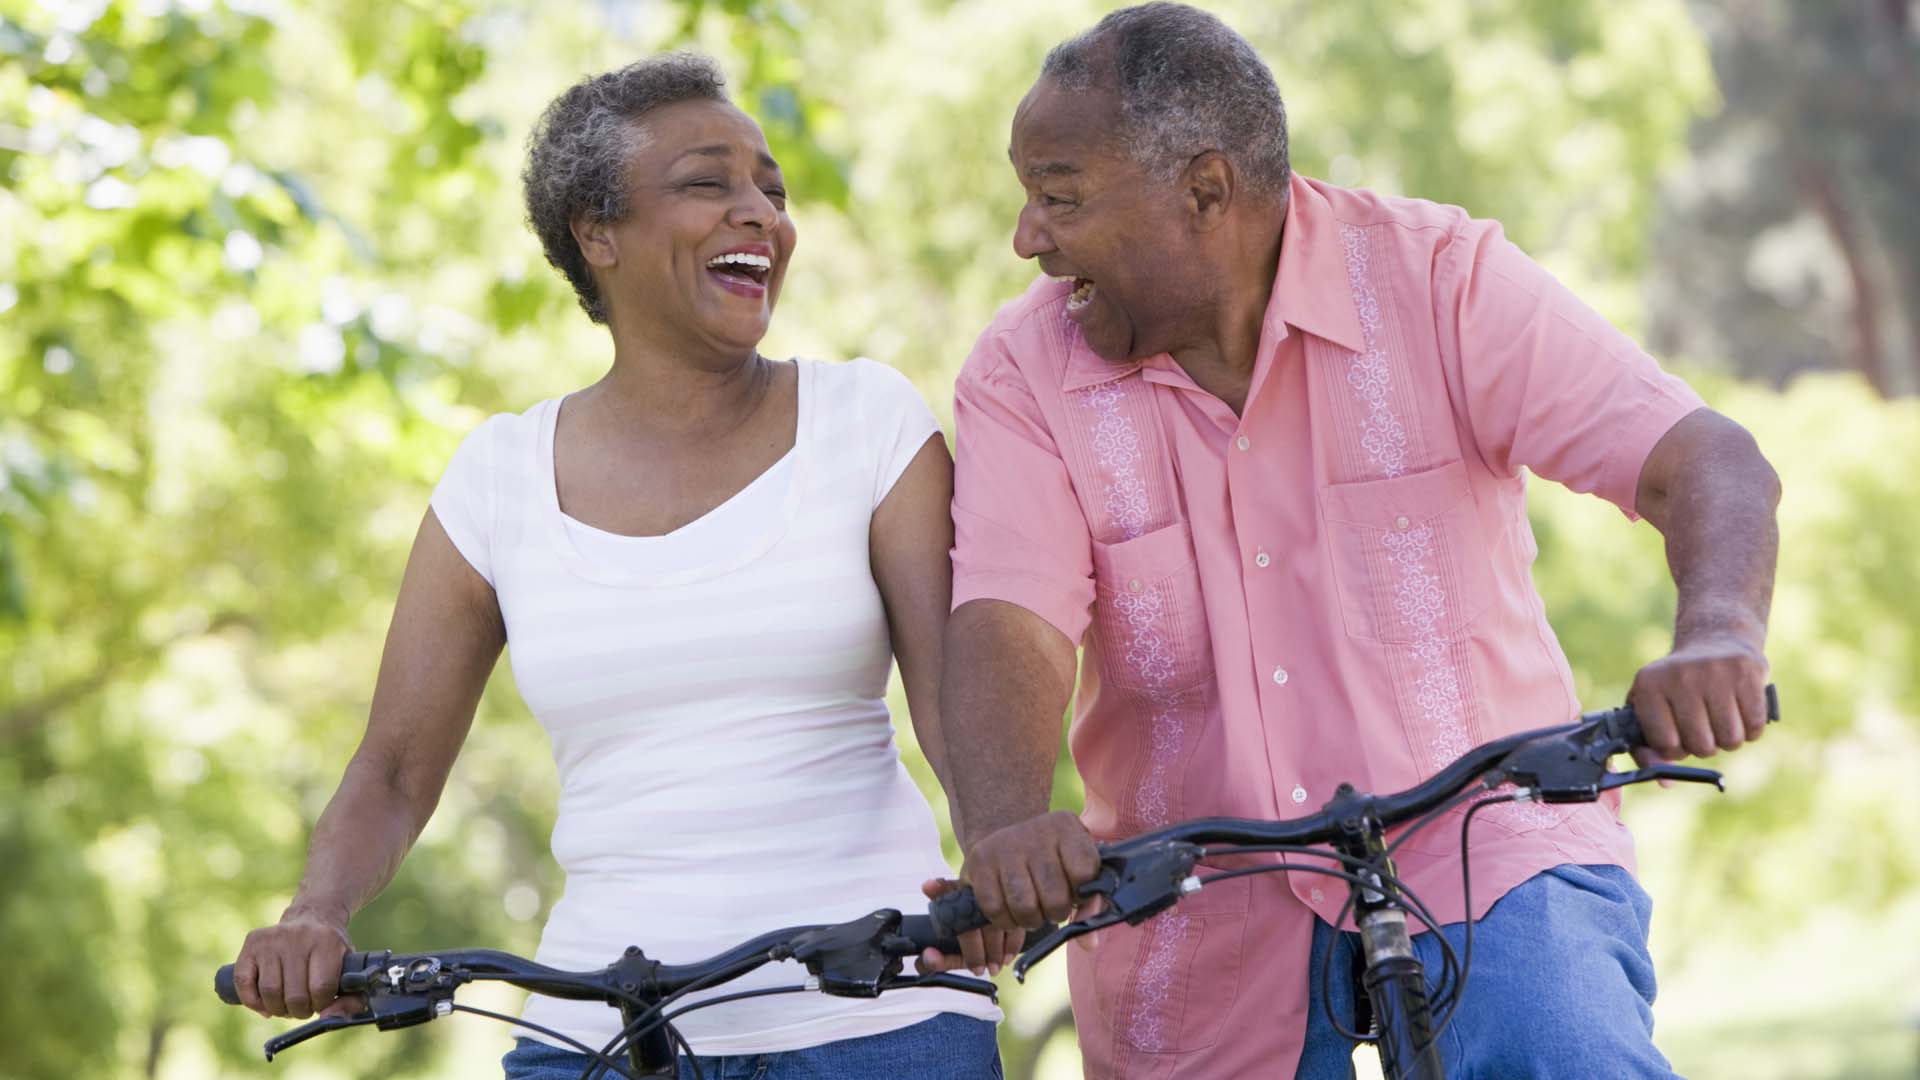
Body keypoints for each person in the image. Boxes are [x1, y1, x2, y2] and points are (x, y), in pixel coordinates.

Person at [929, 4, 1780, 1077]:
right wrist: (1005, 822)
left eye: (1058, 198)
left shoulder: (1438, 278)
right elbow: (1013, 616)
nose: (1027, 238)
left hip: (1486, 843)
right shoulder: (1023, 372)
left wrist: (1717, 632)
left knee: (1559, 1042)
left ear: (1205, 192)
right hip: (1194, 892)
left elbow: (1702, 459)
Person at [226, 52, 1003, 1079]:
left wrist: (1000, 856)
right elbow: (396, 769)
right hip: (600, 1031)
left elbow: (956, 701)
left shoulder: (867, 423)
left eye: (771, 189)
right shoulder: (498, 478)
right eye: (706, 183)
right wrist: (314, 913)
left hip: (876, 1019)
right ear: (598, 232)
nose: (760, 213)